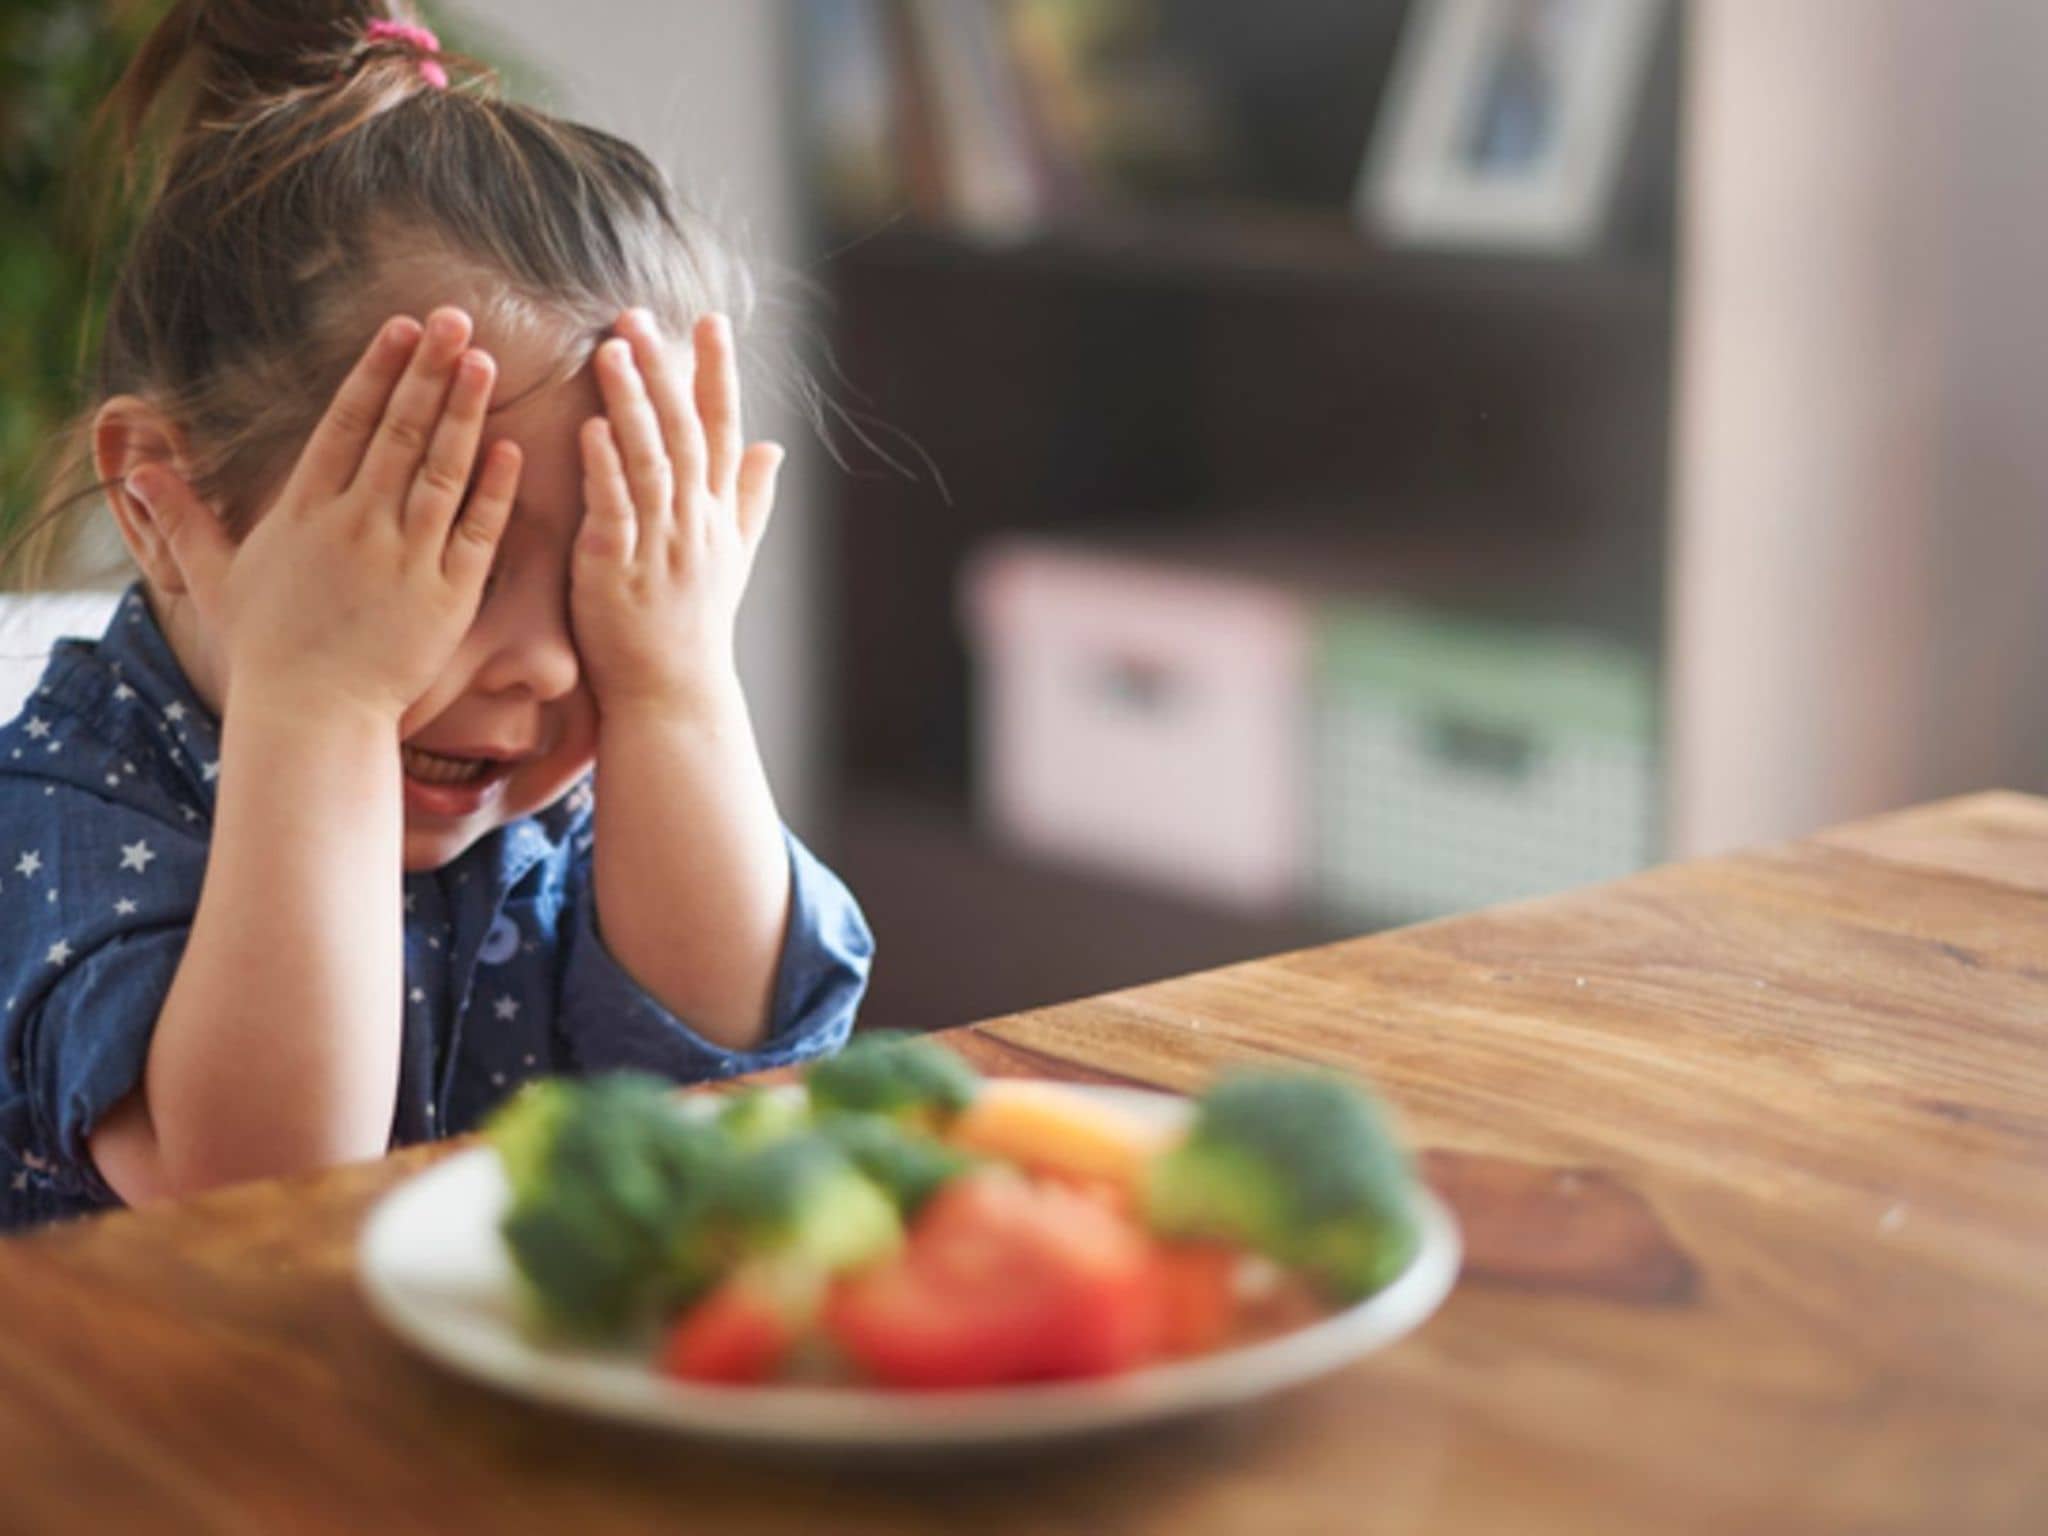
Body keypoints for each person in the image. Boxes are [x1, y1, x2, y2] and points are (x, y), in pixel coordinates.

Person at [0, 2, 873, 1229]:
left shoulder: (582, 772)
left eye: (604, 579)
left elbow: (736, 1063)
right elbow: (259, 1199)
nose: (543, 663)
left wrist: (673, 683)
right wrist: (323, 704)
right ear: (163, 505)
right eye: (441, 564)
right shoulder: (63, 810)